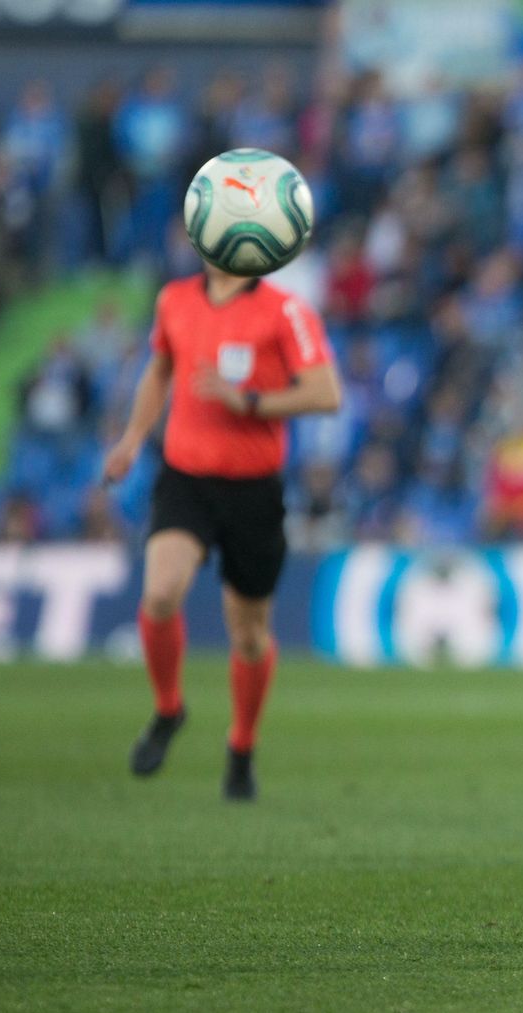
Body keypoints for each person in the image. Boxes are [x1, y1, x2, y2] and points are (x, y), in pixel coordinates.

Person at [104, 262, 340, 800]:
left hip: (254, 490)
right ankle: (168, 709)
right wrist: (134, 438)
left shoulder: (285, 310)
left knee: (250, 635)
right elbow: (161, 368)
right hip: (186, 478)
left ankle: (242, 745)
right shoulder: (174, 300)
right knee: (161, 593)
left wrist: (250, 401)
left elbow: (326, 393)